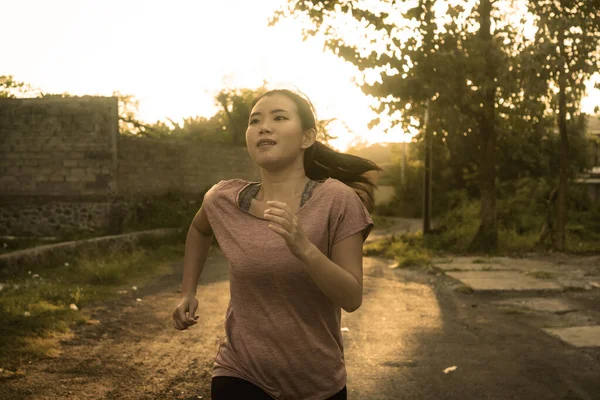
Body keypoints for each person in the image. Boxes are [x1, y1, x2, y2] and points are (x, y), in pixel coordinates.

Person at [172, 88, 384, 400]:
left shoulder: (337, 201)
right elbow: (200, 230)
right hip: (240, 372)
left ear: (307, 137)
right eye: (254, 120)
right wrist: (187, 291)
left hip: (317, 383)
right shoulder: (223, 199)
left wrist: (305, 250)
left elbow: (351, 297)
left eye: (279, 117)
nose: (264, 126)